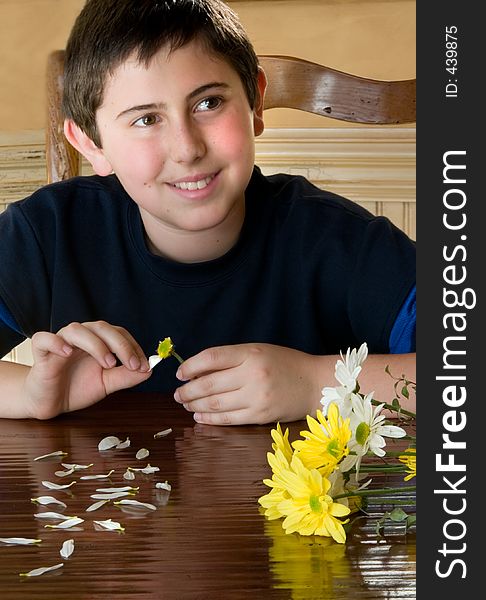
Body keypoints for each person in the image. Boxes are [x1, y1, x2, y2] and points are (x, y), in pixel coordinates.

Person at [0, 0, 416, 424]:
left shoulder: (338, 240)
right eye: (145, 120)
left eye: (209, 103)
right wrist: (31, 396)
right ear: (91, 145)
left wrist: (315, 384)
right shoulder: (45, 233)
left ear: (255, 102)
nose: (187, 149)